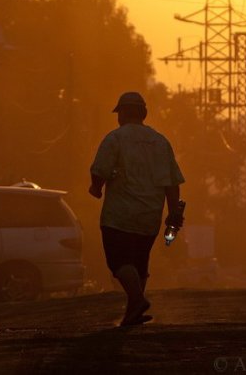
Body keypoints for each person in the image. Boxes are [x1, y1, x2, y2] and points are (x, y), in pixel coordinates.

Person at [89, 91, 185, 327]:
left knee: (118, 261)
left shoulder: (115, 139)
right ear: (143, 113)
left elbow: (99, 170)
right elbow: (172, 182)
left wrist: (96, 188)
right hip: (149, 217)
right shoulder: (161, 142)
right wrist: (173, 213)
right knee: (140, 262)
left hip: (119, 216)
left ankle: (137, 299)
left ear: (121, 114)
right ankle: (133, 312)